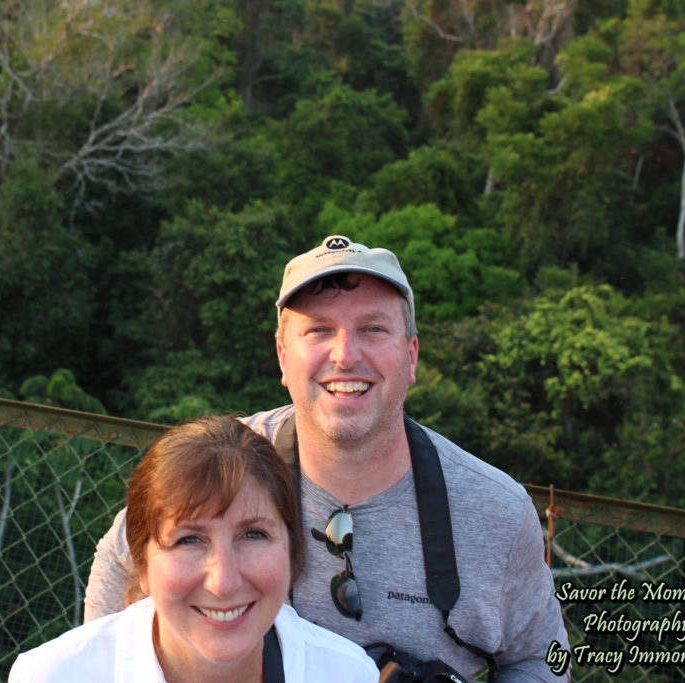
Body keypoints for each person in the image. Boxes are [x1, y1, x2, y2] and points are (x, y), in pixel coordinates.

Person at [85, 235, 570, 681]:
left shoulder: (496, 511)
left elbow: (539, 658)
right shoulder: (216, 466)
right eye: (319, 330)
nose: (345, 354)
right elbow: (115, 584)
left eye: (373, 329)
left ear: (412, 356)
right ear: (282, 356)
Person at [10, 415, 378, 682]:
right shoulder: (56, 675)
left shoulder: (346, 674)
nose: (223, 582)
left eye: (252, 535)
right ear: (142, 566)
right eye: (189, 540)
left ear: (292, 552)